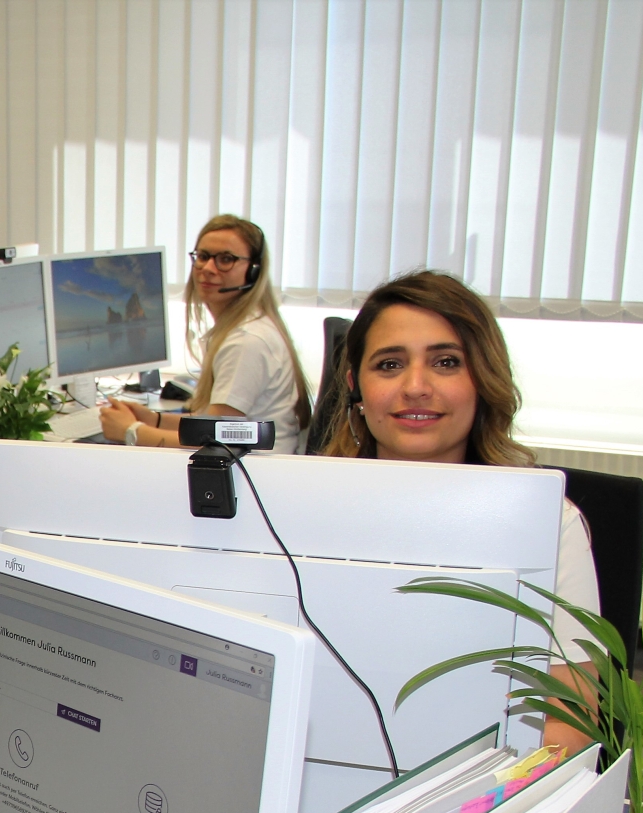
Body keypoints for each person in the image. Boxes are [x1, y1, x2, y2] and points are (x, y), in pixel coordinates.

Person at [324, 269, 599, 755]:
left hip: (474, 795)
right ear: (355, 387)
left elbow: (568, 727)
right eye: (389, 365)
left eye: (446, 362)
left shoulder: (548, 524)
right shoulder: (298, 509)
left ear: (483, 380)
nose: (415, 386)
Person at [97, 214, 311, 452]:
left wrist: (131, 432)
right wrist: (153, 419)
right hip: (246, 468)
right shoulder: (242, 329)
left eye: (226, 259)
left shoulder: (246, 342)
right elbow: (211, 425)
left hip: (252, 475)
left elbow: (215, 441)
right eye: (204, 257)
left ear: (253, 272)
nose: (208, 268)